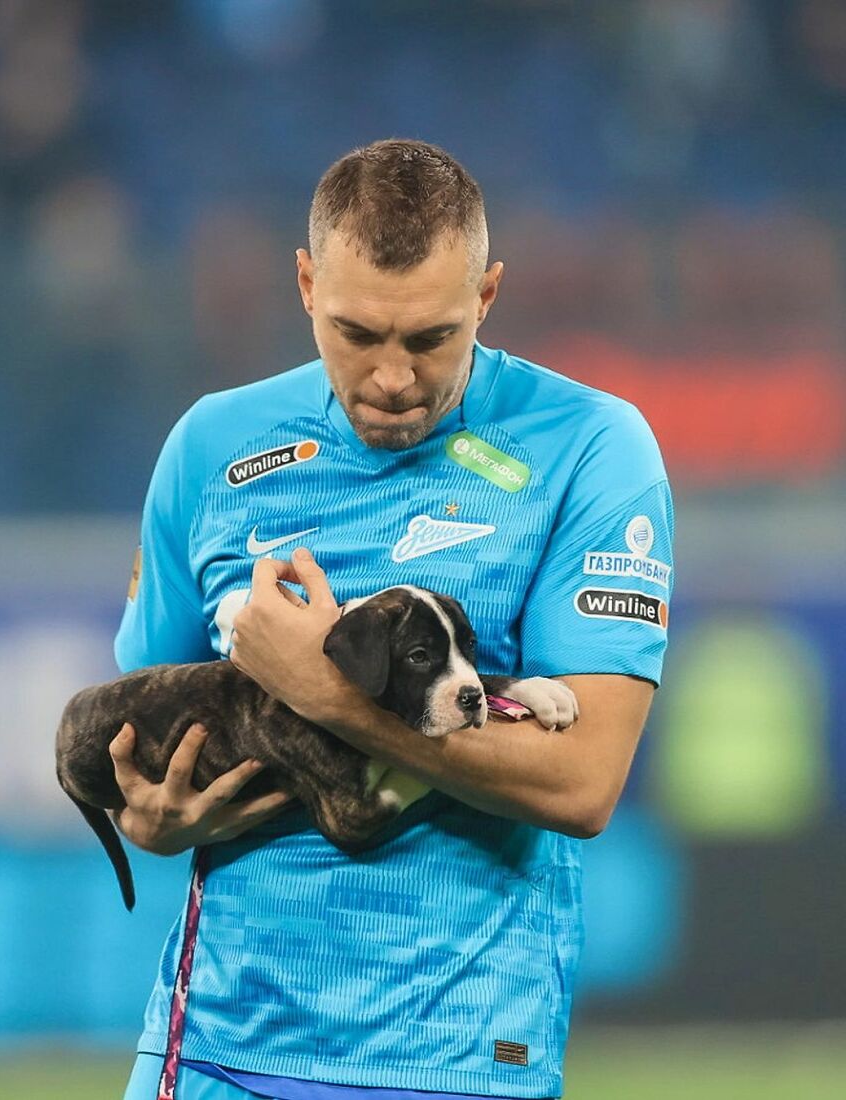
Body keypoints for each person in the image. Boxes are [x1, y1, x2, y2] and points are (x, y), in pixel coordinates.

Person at [111, 139, 674, 1100]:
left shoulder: (590, 447)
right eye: (358, 333)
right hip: (216, 1048)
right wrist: (151, 817)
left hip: (461, 1056)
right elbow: (147, 739)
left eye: (430, 339)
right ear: (305, 285)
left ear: (487, 297)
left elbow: (584, 781)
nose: (392, 377)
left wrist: (326, 694)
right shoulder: (210, 445)